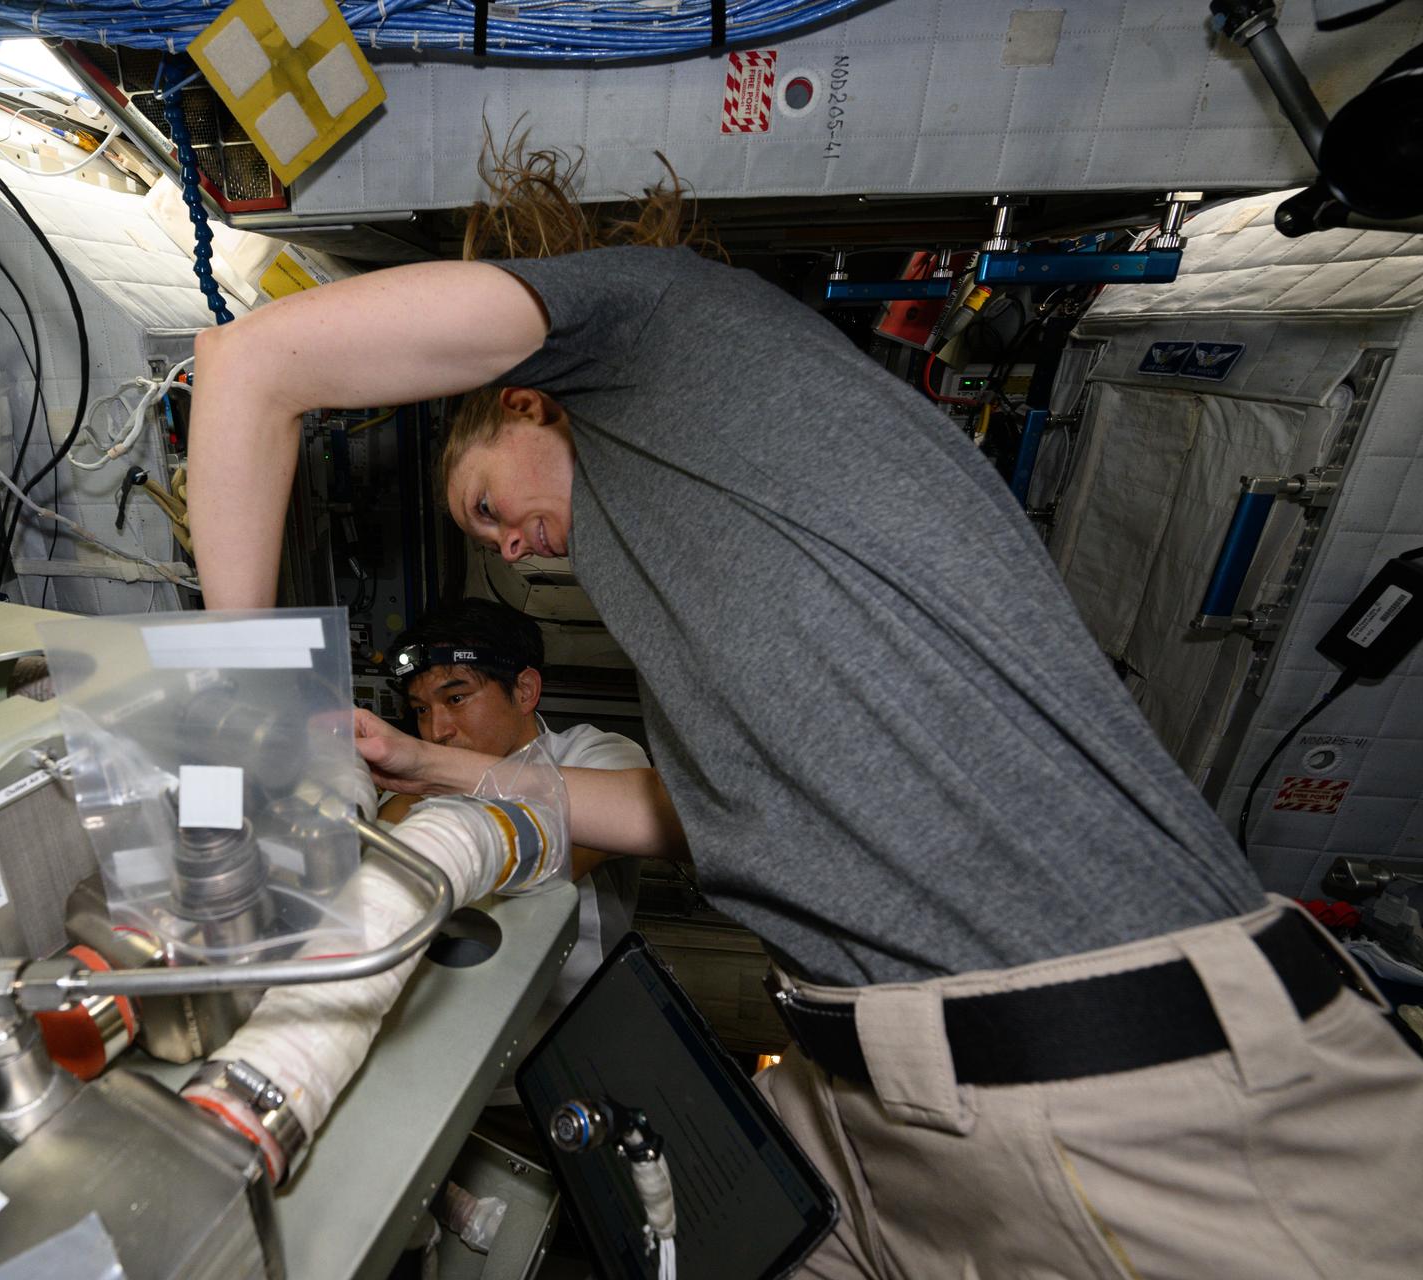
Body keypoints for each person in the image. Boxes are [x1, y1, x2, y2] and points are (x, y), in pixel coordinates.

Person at [185, 150, 1423, 1278]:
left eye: (484, 509)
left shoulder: (655, 314)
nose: (512, 546)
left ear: (524, 401)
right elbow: (696, 818)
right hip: (876, 1089)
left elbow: (252, 362)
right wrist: (415, 761)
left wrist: (247, 718)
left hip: (1131, 1089)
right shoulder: (715, 524)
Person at [379, 597, 673, 1041]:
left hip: (569, 1045)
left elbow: (559, 857)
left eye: (456, 698)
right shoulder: (422, 778)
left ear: (523, 691)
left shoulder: (598, 757)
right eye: (421, 709)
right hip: (452, 1048)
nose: (436, 730)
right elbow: (376, 855)